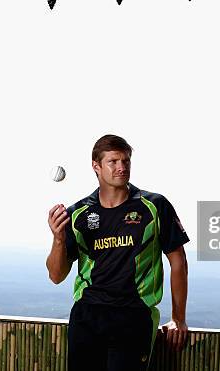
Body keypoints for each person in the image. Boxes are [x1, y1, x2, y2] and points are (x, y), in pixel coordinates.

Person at [46, 134, 189, 371]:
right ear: (96, 166)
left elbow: (178, 262)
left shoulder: (155, 206)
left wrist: (178, 318)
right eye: (113, 162)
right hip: (86, 315)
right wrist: (58, 239)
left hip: (133, 316)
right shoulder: (78, 214)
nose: (121, 168)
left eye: (126, 161)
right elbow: (56, 275)